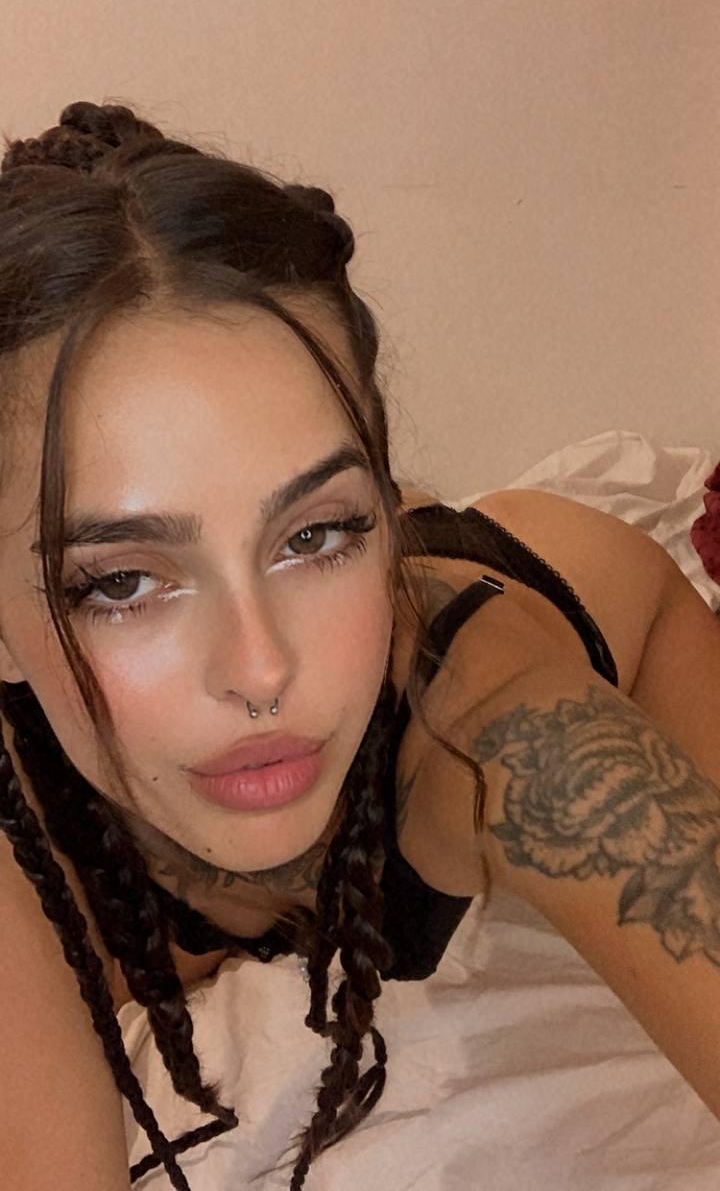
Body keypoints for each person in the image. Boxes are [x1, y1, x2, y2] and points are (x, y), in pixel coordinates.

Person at [0, 101, 719, 1191]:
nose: (260, 668)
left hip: (600, 604)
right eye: (123, 581)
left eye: (318, 532)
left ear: (378, 497)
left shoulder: (520, 746)